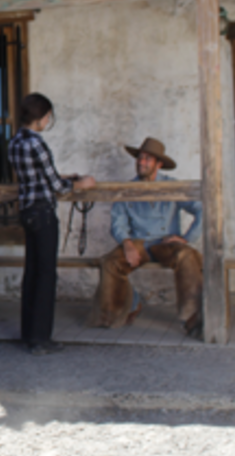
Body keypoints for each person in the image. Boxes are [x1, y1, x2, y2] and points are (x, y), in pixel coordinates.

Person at [8, 93, 97, 356]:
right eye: (48, 117)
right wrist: (82, 184)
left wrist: (63, 176)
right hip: (44, 214)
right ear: (43, 117)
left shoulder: (14, 142)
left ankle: (28, 333)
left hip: (27, 211)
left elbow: (36, 177)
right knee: (46, 275)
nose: (48, 121)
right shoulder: (38, 144)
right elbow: (57, 187)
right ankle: (41, 339)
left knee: (32, 272)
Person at [94, 137, 204, 339]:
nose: (141, 162)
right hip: (139, 244)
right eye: (140, 158)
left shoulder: (172, 186)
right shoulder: (127, 189)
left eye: (147, 159)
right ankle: (126, 307)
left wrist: (186, 238)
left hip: (165, 242)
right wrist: (126, 243)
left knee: (188, 256)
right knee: (109, 262)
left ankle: (193, 317)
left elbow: (202, 211)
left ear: (158, 164)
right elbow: (117, 222)